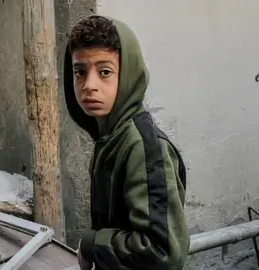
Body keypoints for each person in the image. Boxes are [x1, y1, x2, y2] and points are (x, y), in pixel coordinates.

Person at [64, 16, 189, 270]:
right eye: (80, 72)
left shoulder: (142, 147)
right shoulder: (109, 136)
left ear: (129, 74)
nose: (89, 85)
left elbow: (163, 251)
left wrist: (92, 243)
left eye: (105, 72)